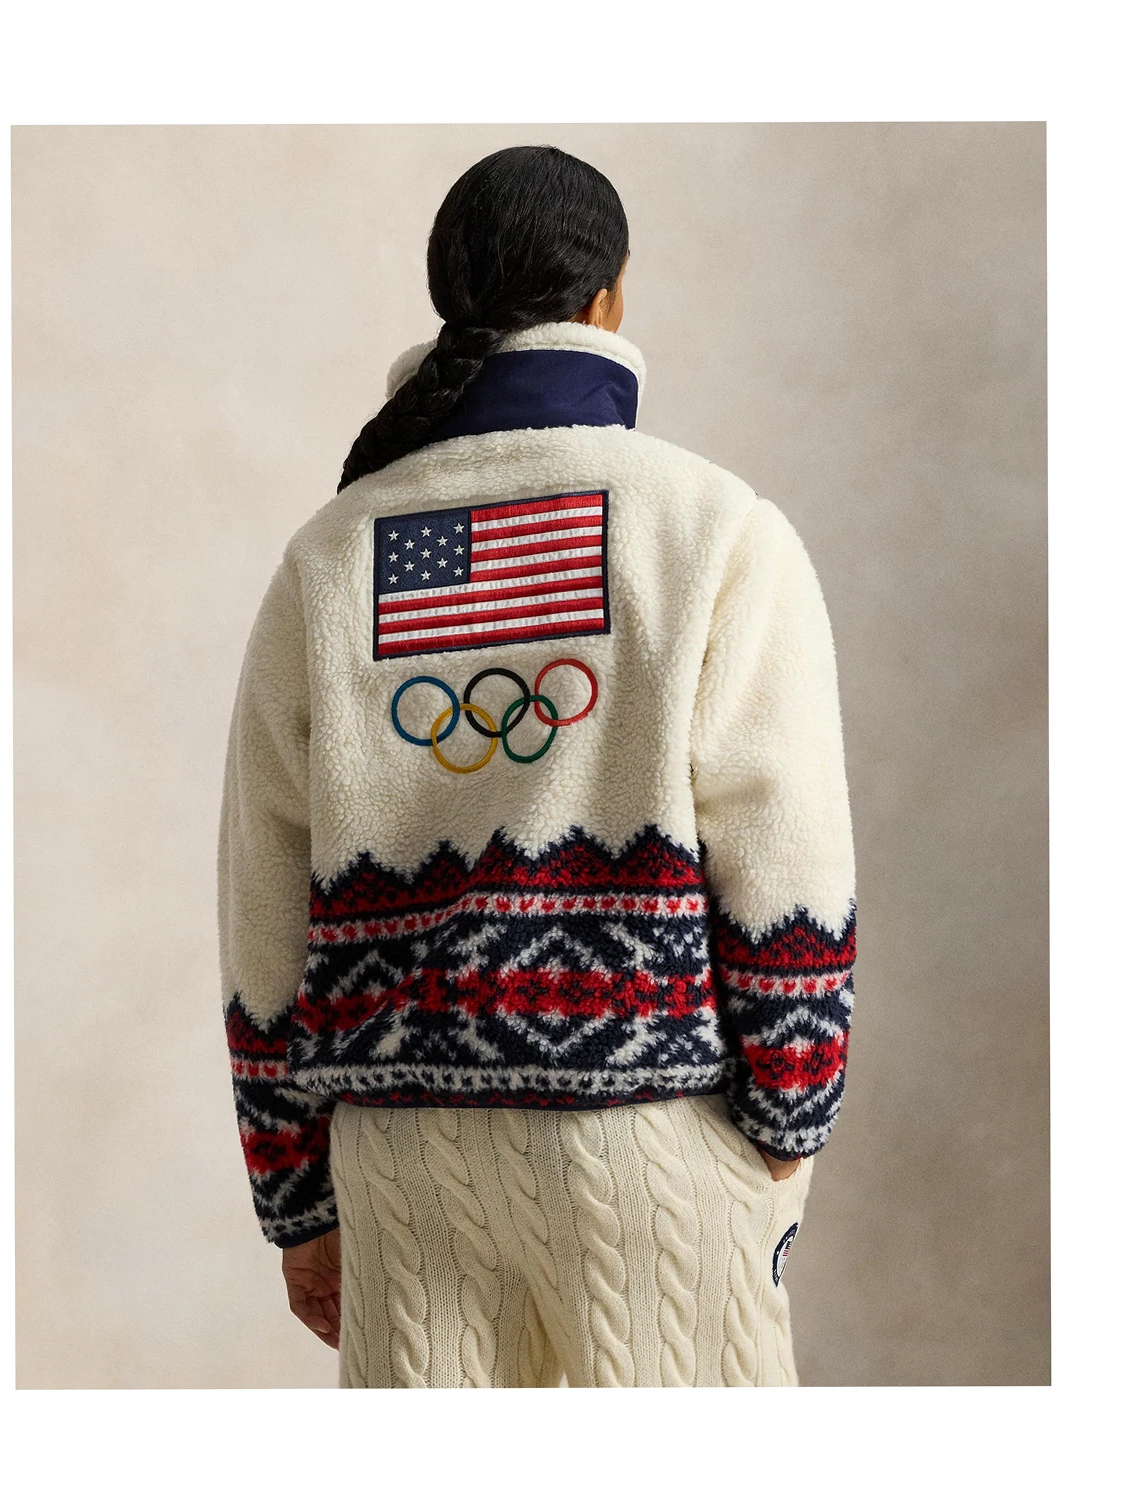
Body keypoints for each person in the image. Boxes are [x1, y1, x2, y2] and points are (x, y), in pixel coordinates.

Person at [217, 144, 857, 1387]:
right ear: (609, 298)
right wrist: (791, 1112)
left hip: (399, 1162)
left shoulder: (333, 556)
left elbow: (263, 896)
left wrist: (296, 1195)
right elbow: (785, 843)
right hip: (654, 1140)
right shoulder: (712, 529)